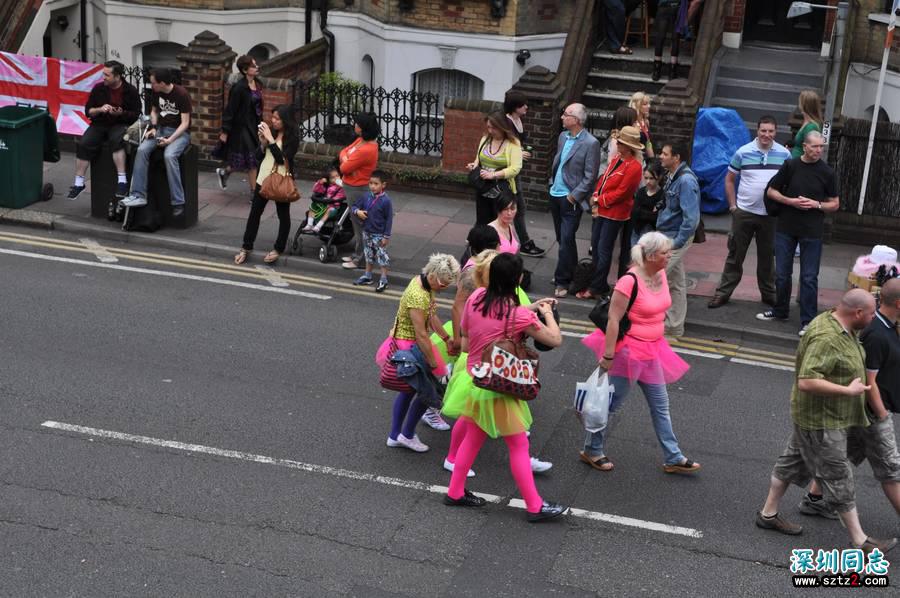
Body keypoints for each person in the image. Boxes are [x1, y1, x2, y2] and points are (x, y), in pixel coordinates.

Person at [755, 289, 898, 556]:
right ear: (857, 313)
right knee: (838, 475)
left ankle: (768, 514)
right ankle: (860, 540)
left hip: (817, 418)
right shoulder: (827, 337)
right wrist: (847, 391)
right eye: (869, 314)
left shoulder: (839, 322)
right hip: (822, 421)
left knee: (791, 463)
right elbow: (807, 381)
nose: (872, 319)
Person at [441, 252, 568, 522]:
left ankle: (454, 492)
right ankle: (534, 506)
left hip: (477, 380)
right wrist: (546, 312)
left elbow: (465, 340)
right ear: (518, 280)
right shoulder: (518, 315)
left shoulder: (475, 298)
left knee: (473, 439)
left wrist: (530, 309)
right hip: (502, 385)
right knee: (519, 445)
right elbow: (554, 339)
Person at [581, 231, 701, 474]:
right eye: (666, 253)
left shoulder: (660, 274)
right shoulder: (629, 281)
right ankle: (592, 450)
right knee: (611, 404)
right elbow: (613, 320)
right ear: (652, 255)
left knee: (660, 404)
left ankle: (673, 456)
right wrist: (608, 356)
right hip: (629, 352)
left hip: (653, 349)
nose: (669, 256)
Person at [803, 278, 900, 519]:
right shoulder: (877, 334)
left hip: (859, 411)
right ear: (898, 303)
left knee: (843, 454)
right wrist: (883, 416)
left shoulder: (889, 326)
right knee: (890, 470)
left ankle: (814, 498)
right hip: (872, 412)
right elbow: (870, 383)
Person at [757, 131, 839, 336]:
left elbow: (835, 203)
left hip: (812, 231)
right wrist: (790, 201)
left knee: (809, 277)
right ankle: (780, 310)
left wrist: (817, 204)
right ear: (805, 146)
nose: (819, 150)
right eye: (815, 146)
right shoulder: (791, 166)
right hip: (786, 227)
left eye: (821, 147)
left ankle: (808, 321)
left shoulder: (827, 172)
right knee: (783, 274)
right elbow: (771, 191)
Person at [377, 254, 460, 453]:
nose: (445, 287)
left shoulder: (423, 283)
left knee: (408, 392)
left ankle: (396, 435)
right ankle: (405, 434)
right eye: (444, 282)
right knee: (428, 391)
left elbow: (431, 316)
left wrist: (446, 338)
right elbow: (421, 334)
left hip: (411, 344)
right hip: (409, 347)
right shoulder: (418, 295)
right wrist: (434, 366)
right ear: (433, 275)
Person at [708, 116, 790, 309]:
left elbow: (789, 182)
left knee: (767, 259)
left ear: (775, 132)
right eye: (763, 130)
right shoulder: (743, 152)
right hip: (744, 212)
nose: (766, 135)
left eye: (770, 131)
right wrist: (733, 207)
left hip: (770, 216)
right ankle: (723, 293)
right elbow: (729, 180)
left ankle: (769, 295)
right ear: (757, 131)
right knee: (735, 255)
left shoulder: (785, 155)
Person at [579, 126, 643, 301]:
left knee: (604, 249)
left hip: (615, 213)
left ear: (629, 146)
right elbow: (603, 180)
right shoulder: (616, 159)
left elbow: (623, 192)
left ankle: (596, 287)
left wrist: (599, 200)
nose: (618, 144)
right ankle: (597, 284)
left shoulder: (635, 167)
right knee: (596, 248)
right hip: (602, 210)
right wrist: (595, 195)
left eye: (621, 142)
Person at [120, 68, 192, 216]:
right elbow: (154, 111)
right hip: (160, 130)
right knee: (141, 150)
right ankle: (139, 195)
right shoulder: (157, 92)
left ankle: (178, 202)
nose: (151, 85)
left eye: (153, 83)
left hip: (179, 134)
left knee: (169, 156)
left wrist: (170, 140)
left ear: (163, 83)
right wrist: (153, 128)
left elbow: (185, 123)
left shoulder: (182, 95)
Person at [233, 104, 299, 265]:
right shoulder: (272, 132)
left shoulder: (292, 138)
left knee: (283, 216)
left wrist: (270, 140)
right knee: (254, 213)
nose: (273, 121)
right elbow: (258, 156)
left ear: (286, 120)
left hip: (280, 181)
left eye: (277, 118)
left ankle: (278, 248)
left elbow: (281, 160)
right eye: (273, 118)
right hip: (263, 178)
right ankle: (246, 247)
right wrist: (263, 144)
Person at [67, 60, 142, 201]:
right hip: (100, 123)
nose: (104, 77)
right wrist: (100, 109)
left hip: (120, 123)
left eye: (107, 75)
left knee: (116, 140)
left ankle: (122, 181)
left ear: (117, 76)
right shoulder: (98, 88)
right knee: (84, 143)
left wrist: (121, 113)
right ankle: (78, 183)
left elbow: (136, 114)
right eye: (103, 74)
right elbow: (88, 111)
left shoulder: (130, 91)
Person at [549, 103, 602, 298]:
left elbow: (590, 176)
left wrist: (574, 196)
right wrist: (551, 183)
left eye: (566, 114)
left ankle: (562, 280)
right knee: (563, 239)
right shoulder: (563, 137)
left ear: (577, 120)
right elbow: (558, 161)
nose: (562, 117)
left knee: (566, 239)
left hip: (571, 198)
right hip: (555, 194)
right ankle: (574, 275)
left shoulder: (591, 143)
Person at [656, 142, 700, 337]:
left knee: (654, 275)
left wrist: (677, 243)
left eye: (665, 154)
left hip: (675, 236)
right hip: (668, 233)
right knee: (676, 283)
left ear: (677, 157)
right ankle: (674, 327)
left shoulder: (686, 181)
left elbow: (691, 219)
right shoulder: (672, 176)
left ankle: (648, 319)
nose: (660, 156)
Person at [504, 91, 545, 257]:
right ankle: (524, 243)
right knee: (516, 208)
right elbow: (503, 146)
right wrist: (518, 154)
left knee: (515, 208)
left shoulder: (518, 120)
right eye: (523, 105)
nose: (526, 107)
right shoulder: (506, 122)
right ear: (515, 106)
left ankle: (523, 242)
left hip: (515, 171)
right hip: (507, 173)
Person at [216, 55, 264, 194]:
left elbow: (258, 107)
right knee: (252, 160)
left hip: (254, 126)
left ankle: (225, 172)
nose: (257, 67)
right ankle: (255, 193)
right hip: (241, 128)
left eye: (256, 65)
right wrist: (225, 131)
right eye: (253, 66)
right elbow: (230, 110)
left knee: (244, 159)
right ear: (244, 70)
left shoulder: (258, 83)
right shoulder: (238, 88)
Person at [467, 111, 523, 227]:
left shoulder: (513, 144)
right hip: (483, 187)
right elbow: (479, 158)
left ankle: (499, 244)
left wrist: (494, 175)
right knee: (482, 221)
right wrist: (474, 165)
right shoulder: (485, 139)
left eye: (494, 128)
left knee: (499, 223)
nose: (490, 131)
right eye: (488, 127)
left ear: (503, 127)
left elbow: (515, 168)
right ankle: (481, 243)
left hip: (501, 190)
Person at [340, 113, 380, 271]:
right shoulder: (361, 141)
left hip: (358, 189)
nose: (354, 125)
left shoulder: (367, 148)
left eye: (357, 124)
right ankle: (358, 254)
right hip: (352, 186)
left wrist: (346, 160)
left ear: (364, 128)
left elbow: (344, 167)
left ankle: (362, 260)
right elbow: (343, 152)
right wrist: (346, 159)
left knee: (360, 225)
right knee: (356, 222)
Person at [351, 170, 393, 293]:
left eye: (376, 184)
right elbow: (354, 206)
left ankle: (384, 279)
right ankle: (368, 276)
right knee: (368, 255)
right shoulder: (366, 196)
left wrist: (386, 236)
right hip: (367, 232)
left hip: (379, 234)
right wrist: (357, 212)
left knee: (381, 257)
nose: (373, 186)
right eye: (370, 183)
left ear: (383, 185)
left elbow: (389, 219)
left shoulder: (386, 201)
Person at [630, 160, 665, 244]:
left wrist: (641, 212)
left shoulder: (662, 195)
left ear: (659, 177)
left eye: (651, 178)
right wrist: (650, 213)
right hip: (636, 231)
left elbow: (657, 218)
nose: (648, 181)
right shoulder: (641, 192)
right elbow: (634, 212)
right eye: (646, 178)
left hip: (651, 235)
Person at [302, 167, 346, 233]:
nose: (336, 178)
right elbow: (316, 190)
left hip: (333, 206)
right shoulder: (326, 186)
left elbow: (340, 196)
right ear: (328, 180)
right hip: (324, 204)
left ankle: (318, 226)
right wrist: (320, 183)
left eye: (337, 176)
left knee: (329, 211)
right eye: (333, 177)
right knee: (313, 206)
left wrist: (331, 200)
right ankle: (309, 224)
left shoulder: (341, 187)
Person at [652, 0, 685, 81]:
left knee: (660, 36)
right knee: (675, 37)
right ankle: (673, 70)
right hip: (677, 6)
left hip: (664, 6)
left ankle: (657, 69)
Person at [790, 90, 823, 160]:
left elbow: (810, 151)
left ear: (804, 105)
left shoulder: (811, 127)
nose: (799, 104)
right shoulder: (807, 122)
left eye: (800, 102)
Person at [629, 92, 654, 159]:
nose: (649, 106)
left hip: (643, 158)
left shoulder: (646, 122)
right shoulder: (631, 123)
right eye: (645, 104)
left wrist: (652, 159)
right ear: (637, 105)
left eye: (649, 103)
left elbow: (648, 142)